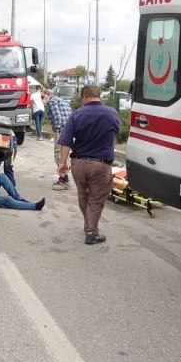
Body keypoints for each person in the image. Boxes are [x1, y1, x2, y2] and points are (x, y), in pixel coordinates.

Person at [58, 84, 120, 245]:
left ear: (84, 97)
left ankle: (88, 226)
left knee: (83, 195)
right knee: (97, 198)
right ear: (99, 96)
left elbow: (65, 141)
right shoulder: (112, 113)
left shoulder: (76, 114)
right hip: (100, 164)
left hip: (78, 163)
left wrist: (62, 163)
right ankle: (92, 231)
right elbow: (115, 133)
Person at [44, 89, 73, 190]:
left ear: (48, 95)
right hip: (70, 130)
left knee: (59, 155)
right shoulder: (64, 102)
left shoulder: (52, 102)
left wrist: (57, 130)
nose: (43, 99)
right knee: (66, 156)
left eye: (43, 97)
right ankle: (64, 178)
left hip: (61, 131)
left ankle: (64, 180)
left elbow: (57, 117)